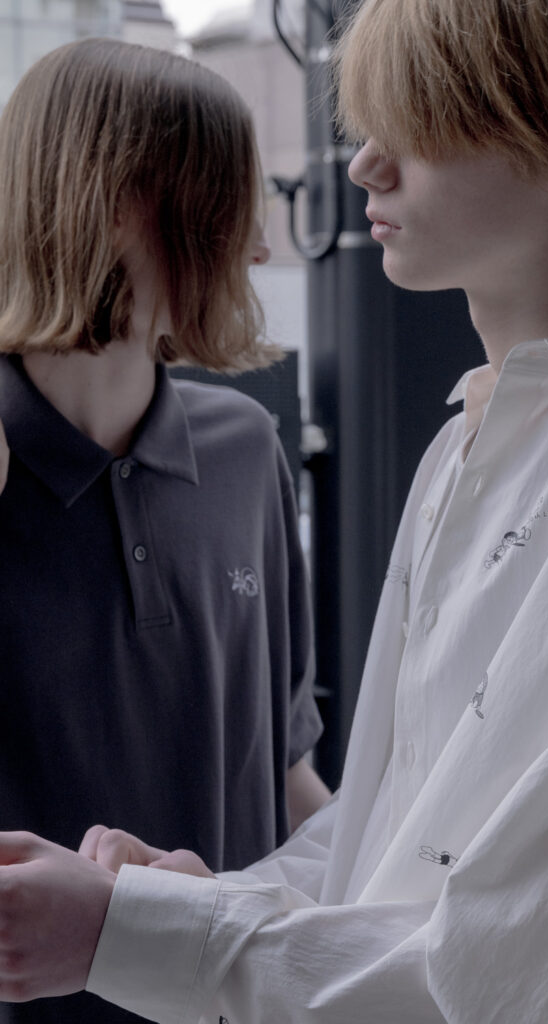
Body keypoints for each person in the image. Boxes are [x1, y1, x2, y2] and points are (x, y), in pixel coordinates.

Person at [1, 1, 548, 1021]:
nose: (365, 166)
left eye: (419, 125)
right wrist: (185, 902)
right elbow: (398, 851)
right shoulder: (464, 453)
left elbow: (516, 976)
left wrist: (136, 932)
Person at [0, 38, 328, 1024]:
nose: (258, 247)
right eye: (227, 204)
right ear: (114, 203)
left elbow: (289, 775)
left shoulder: (245, 450)